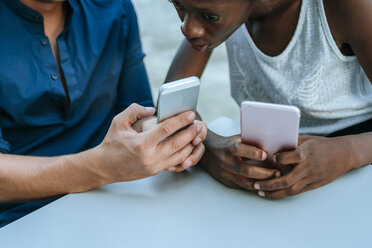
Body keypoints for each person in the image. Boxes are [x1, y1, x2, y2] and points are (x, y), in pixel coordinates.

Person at [0, 0, 207, 228]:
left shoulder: (114, 8)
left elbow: (137, 114)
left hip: (115, 199)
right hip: (18, 219)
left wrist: (171, 134)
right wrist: (101, 167)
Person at [166, 0, 372, 199]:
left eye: (210, 16)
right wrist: (208, 148)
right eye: (177, 4)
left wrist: (349, 153)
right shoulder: (207, 14)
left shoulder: (345, 6)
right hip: (267, 166)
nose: (189, 29)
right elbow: (171, 104)